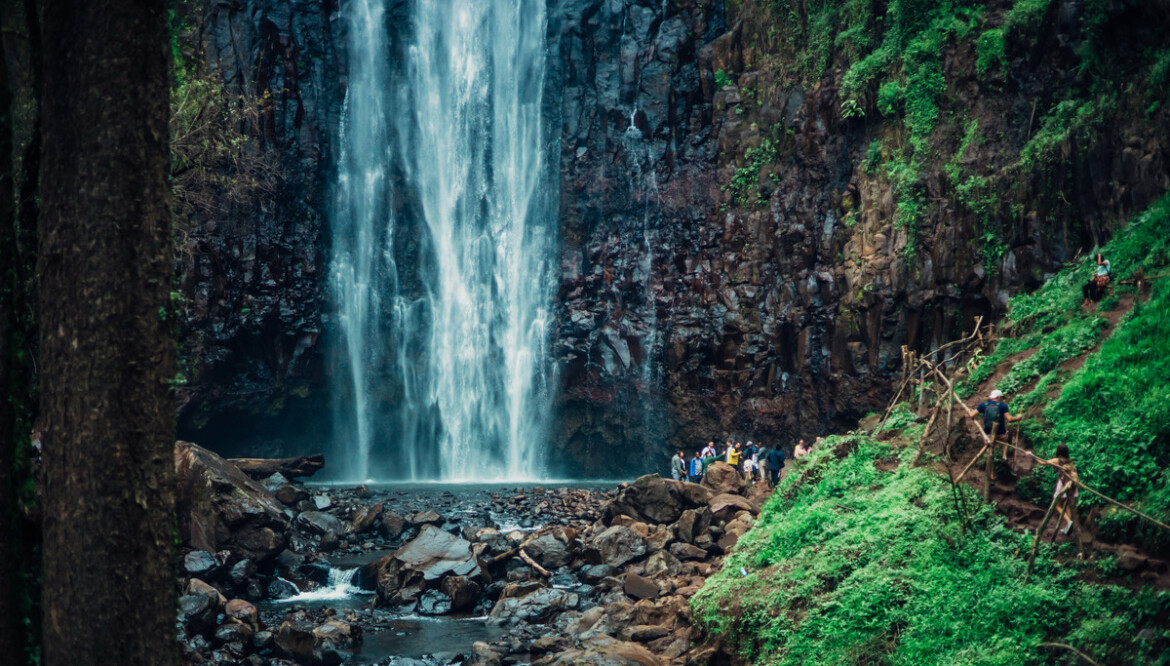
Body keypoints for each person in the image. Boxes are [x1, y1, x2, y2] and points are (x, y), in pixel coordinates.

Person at [1036, 444, 1080, 537]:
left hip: (1063, 485)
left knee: (1057, 505)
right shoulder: (1070, 463)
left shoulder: (1057, 460)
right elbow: (1075, 475)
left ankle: (1069, 522)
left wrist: (1032, 455)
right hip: (1071, 486)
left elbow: (1042, 462)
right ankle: (1068, 526)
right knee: (1067, 505)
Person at [967, 389, 1022, 459]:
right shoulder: (1003, 406)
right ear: (999, 397)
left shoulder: (983, 405)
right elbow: (1009, 419)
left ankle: (989, 457)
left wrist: (969, 412)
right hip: (1000, 433)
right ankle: (1004, 457)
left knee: (989, 446)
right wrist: (1018, 418)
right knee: (1005, 442)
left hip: (988, 433)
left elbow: (972, 415)